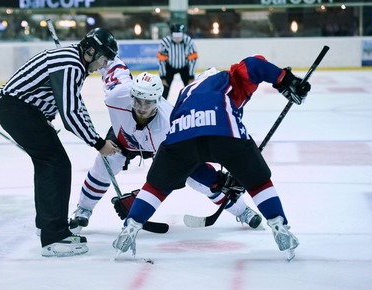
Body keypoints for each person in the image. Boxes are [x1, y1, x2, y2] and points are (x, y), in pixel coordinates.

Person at [113, 55, 311, 261]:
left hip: (182, 136)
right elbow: (255, 65)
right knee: (258, 182)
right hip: (224, 130)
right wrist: (285, 79)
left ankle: (131, 227)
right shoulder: (226, 79)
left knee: (155, 187)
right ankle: (279, 225)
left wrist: (218, 180)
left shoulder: (184, 93)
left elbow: (191, 155)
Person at [69, 57, 262, 234]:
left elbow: (176, 172)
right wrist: (90, 59)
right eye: (137, 101)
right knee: (104, 165)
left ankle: (242, 210)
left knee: (200, 182)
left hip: (161, 146)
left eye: (148, 103)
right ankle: (83, 210)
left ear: (158, 101)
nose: (142, 107)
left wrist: (140, 198)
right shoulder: (117, 96)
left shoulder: (170, 124)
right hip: (122, 138)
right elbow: (112, 64)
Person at [0, 28, 121, 258]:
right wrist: (98, 142)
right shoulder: (70, 64)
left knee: (49, 164)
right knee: (56, 164)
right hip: (17, 110)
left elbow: (67, 103)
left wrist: (44, 119)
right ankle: (54, 236)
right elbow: (71, 114)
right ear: (91, 51)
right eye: (104, 58)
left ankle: (47, 224)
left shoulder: (73, 63)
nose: (104, 65)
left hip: (22, 111)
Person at [157, 23, 198, 100]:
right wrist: (162, 77)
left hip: (185, 67)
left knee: (190, 89)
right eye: (175, 37)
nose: (177, 39)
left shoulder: (189, 41)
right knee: (164, 90)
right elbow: (161, 60)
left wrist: (191, 76)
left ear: (183, 34)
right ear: (171, 35)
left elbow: (193, 60)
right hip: (169, 66)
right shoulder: (165, 42)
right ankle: (160, 106)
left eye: (179, 37)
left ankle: (191, 104)